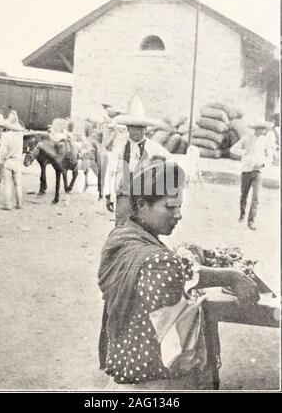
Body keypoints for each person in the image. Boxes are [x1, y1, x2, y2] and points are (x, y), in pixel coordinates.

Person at [98, 158, 259, 391]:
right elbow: (172, 267)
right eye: (170, 207)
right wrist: (231, 276)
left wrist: (192, 255)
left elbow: (173, 262)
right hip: (150, 379)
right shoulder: (150, 256)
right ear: (142, 205)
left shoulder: (123, 236)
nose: (179, 214)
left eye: (180, 206)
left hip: (132, 364)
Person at [104, 95, 171, 226]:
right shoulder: (120, 147)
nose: (137, 132)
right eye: (134, 128)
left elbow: (170, 161)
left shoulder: (154, 148)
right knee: (121, 226)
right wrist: (108, 194)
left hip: (143, 198)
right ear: (128, 129)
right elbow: (110, 172)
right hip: (124, 196)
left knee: (142, 227)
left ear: (145, 129)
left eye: (140, 128)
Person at [230, 120, 273, 230]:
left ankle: (252, 220)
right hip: (246, 171)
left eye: (263, 129)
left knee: (256, 196)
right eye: (259, 128)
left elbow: (270, 156)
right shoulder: (246, 138)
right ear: (255, 129)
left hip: (258, 172)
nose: (261, 130)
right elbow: (233, 149)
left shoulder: (266, 141)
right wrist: (244, 152)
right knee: (244, 194)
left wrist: (263, 163)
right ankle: (242, 215)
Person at [0, 112, 24, 210]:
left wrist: (0, 162)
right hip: (17, 161)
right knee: (18, 183)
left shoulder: (5, 136)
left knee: (7, 183)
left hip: (8, 161)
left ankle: (7, 205)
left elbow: (2, 151)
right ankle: (19, 203)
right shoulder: (20, 134)